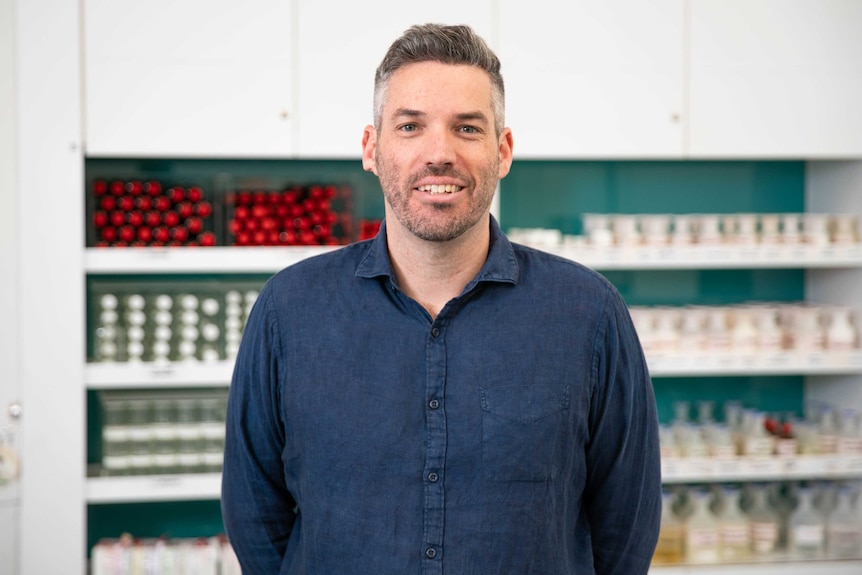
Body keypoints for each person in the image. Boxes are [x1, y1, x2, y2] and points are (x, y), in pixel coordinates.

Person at [222, 23, 661, 575]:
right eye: (410, 126)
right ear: (372, 148)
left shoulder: (589, 314)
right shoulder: (289, 310)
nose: (439, 154)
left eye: (467, 128)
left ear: (502, 151)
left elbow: (627, 523)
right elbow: (253, 510)